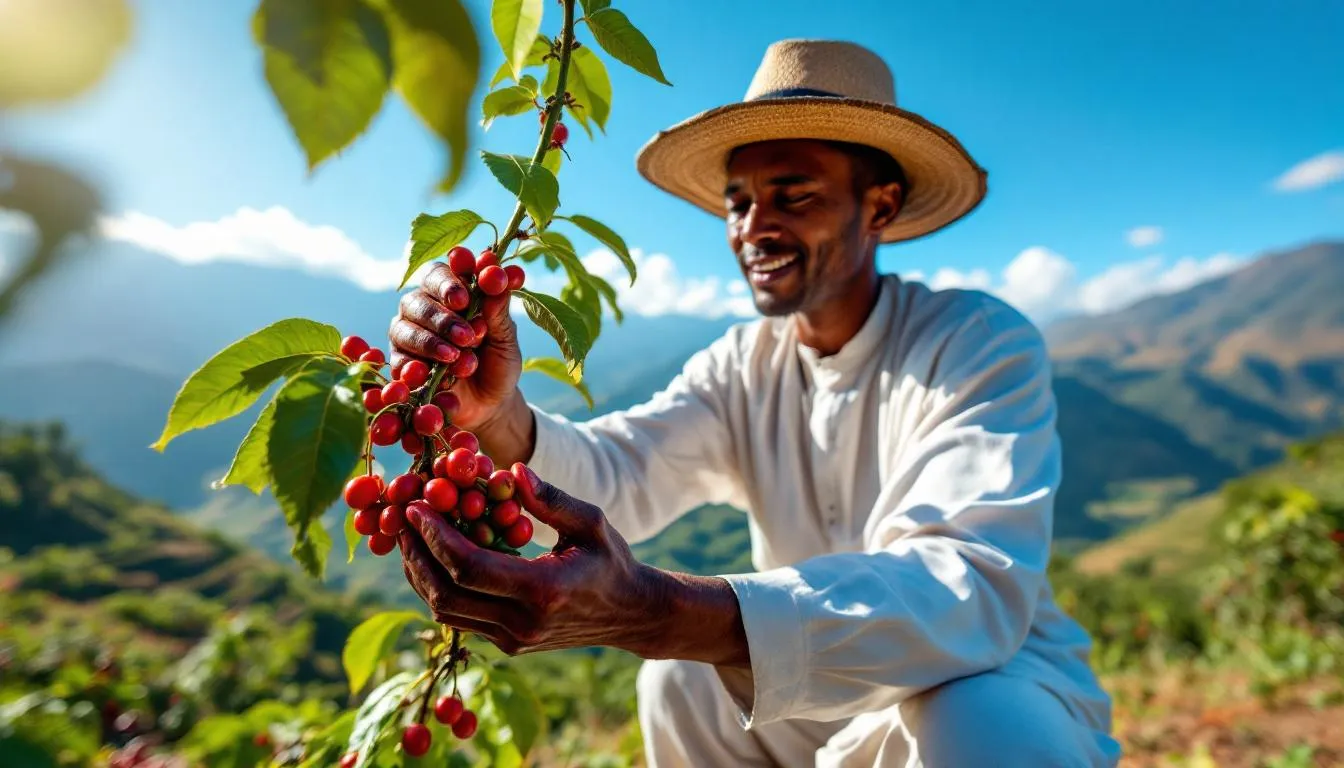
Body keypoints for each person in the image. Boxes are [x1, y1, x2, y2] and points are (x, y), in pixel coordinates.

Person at [389, 39, 1122, 767]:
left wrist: (661, 609)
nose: (752, 228)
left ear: (881, 207)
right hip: (825, 685)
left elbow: (965, 587)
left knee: (980, 723)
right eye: (738, 203)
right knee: (677, 682)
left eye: (794, 195)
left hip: (988, 677)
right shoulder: (743, 366)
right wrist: (495, 414)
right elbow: (623, 471)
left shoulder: (975, 342)